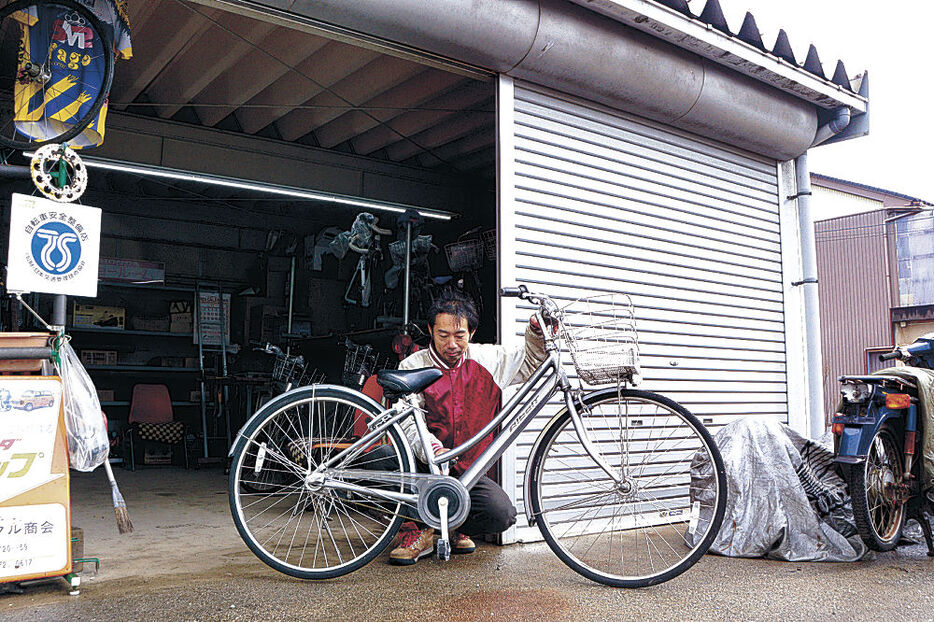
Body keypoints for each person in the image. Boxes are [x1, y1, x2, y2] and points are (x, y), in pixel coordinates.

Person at [387, 290, 547, 565]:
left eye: (459, 335)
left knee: (502, 514)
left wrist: (535, 332)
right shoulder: (412, 365)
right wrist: (434, 452)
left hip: (466, 474)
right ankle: (415, 531)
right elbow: (407, 426)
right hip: (424, 468)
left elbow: (531, 362)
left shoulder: (489, 359)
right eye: (443, 335)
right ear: (430, 330)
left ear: (471, 332)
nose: (452, 343)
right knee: (383, 463)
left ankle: (446, 528)